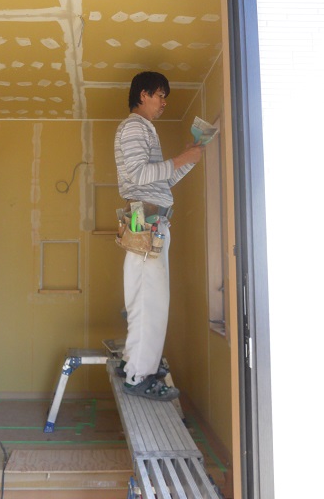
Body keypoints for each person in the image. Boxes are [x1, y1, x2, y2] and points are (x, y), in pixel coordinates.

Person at [114, 71, 203, 401]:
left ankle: (132, 364)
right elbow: (139, 174)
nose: (164, 102)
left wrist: (187, 160)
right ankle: (139, 376)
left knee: (145, 298)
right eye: (159, 95)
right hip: (148, 222)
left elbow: (159, 181)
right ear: (142, 94)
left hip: (149, 220)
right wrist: (180, 159)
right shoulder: (135, 127)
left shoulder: (143, 129)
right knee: (150, 301)